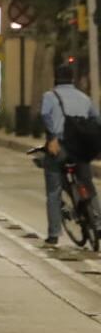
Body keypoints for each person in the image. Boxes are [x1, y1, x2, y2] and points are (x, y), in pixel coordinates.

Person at [40, 63, 101, 245]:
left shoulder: (50, 96)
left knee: (54, 190)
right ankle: (97, 222)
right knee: (88, 185)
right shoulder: (84, 98)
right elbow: (97, 119)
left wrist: (52, 137)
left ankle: (54, 233)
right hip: (81, 149)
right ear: (72, 79)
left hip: (60, 147)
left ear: (56, 78)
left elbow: (44, 116)